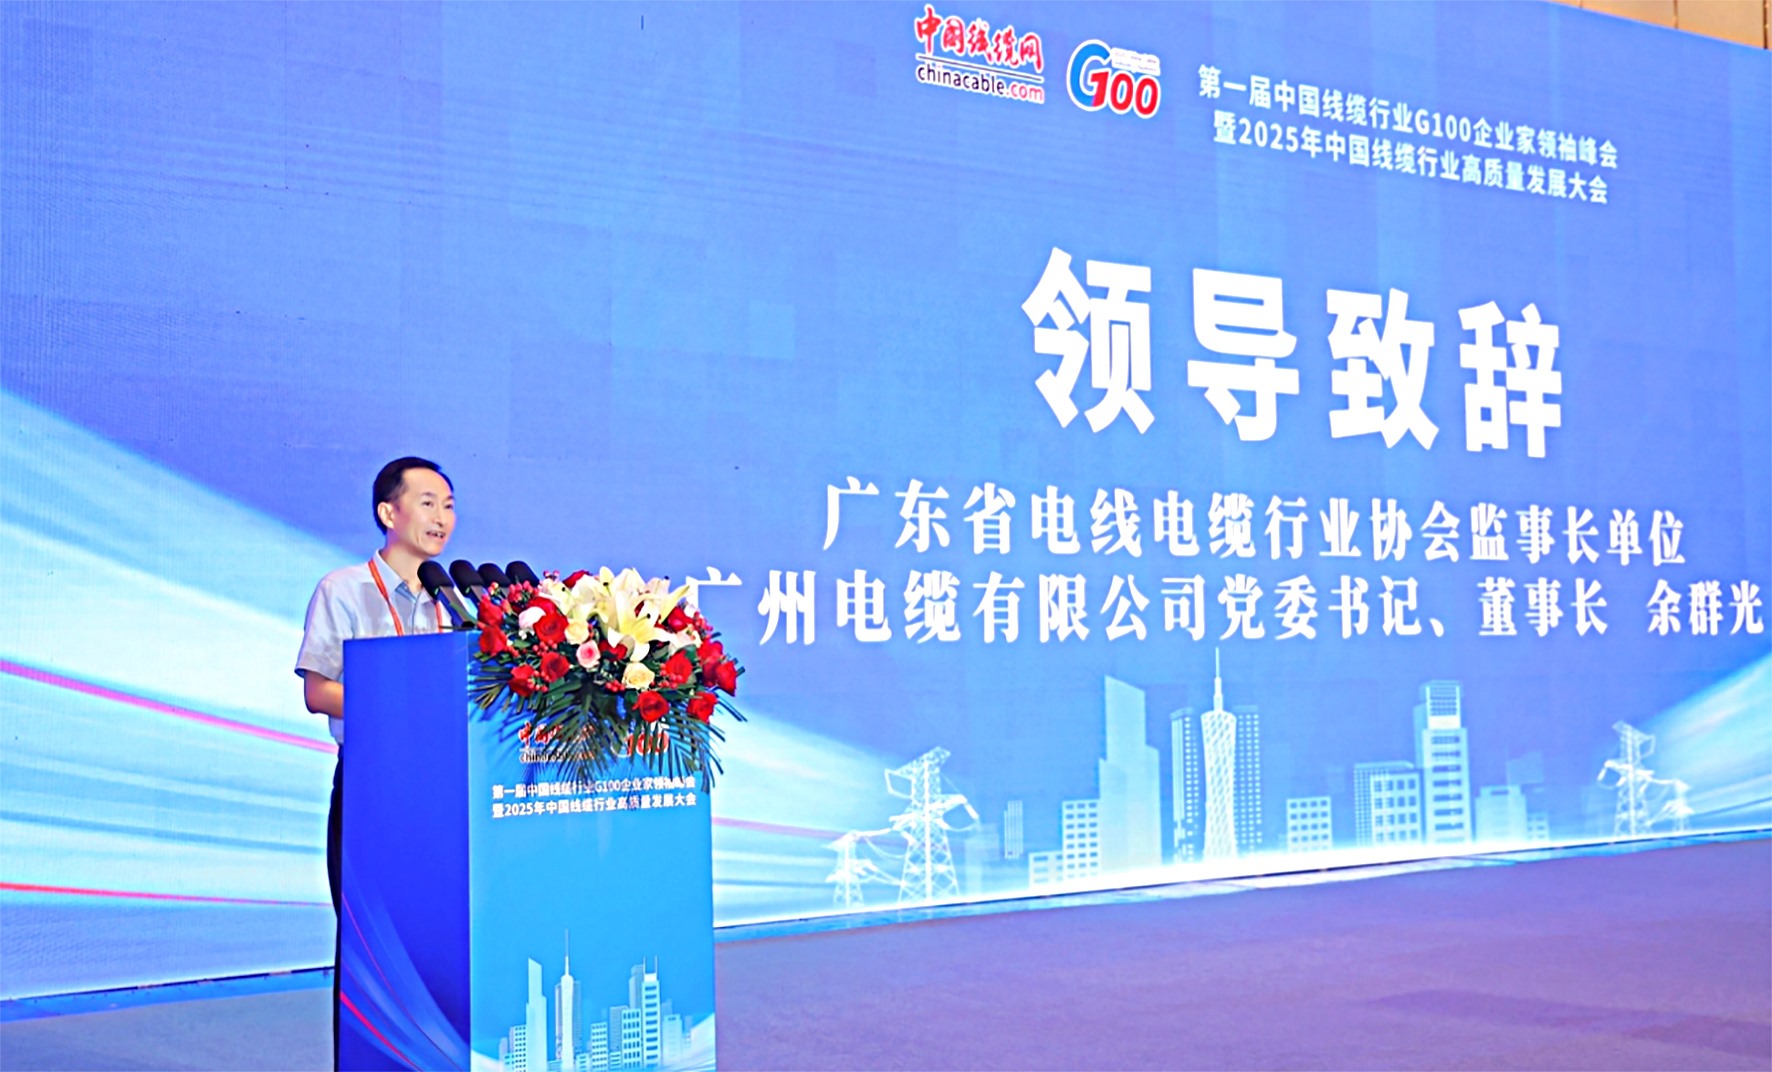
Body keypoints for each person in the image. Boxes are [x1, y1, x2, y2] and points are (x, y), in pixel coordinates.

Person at [295, 456, 456, 1067]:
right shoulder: (343, 589)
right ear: (389, 512)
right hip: (373, 791)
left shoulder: (453, 601)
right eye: (427, 502)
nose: (441, 517)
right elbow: (318, 692)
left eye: (448, 505)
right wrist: (399, 701)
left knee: (438, 937)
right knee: (372, 946)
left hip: (443, 790)